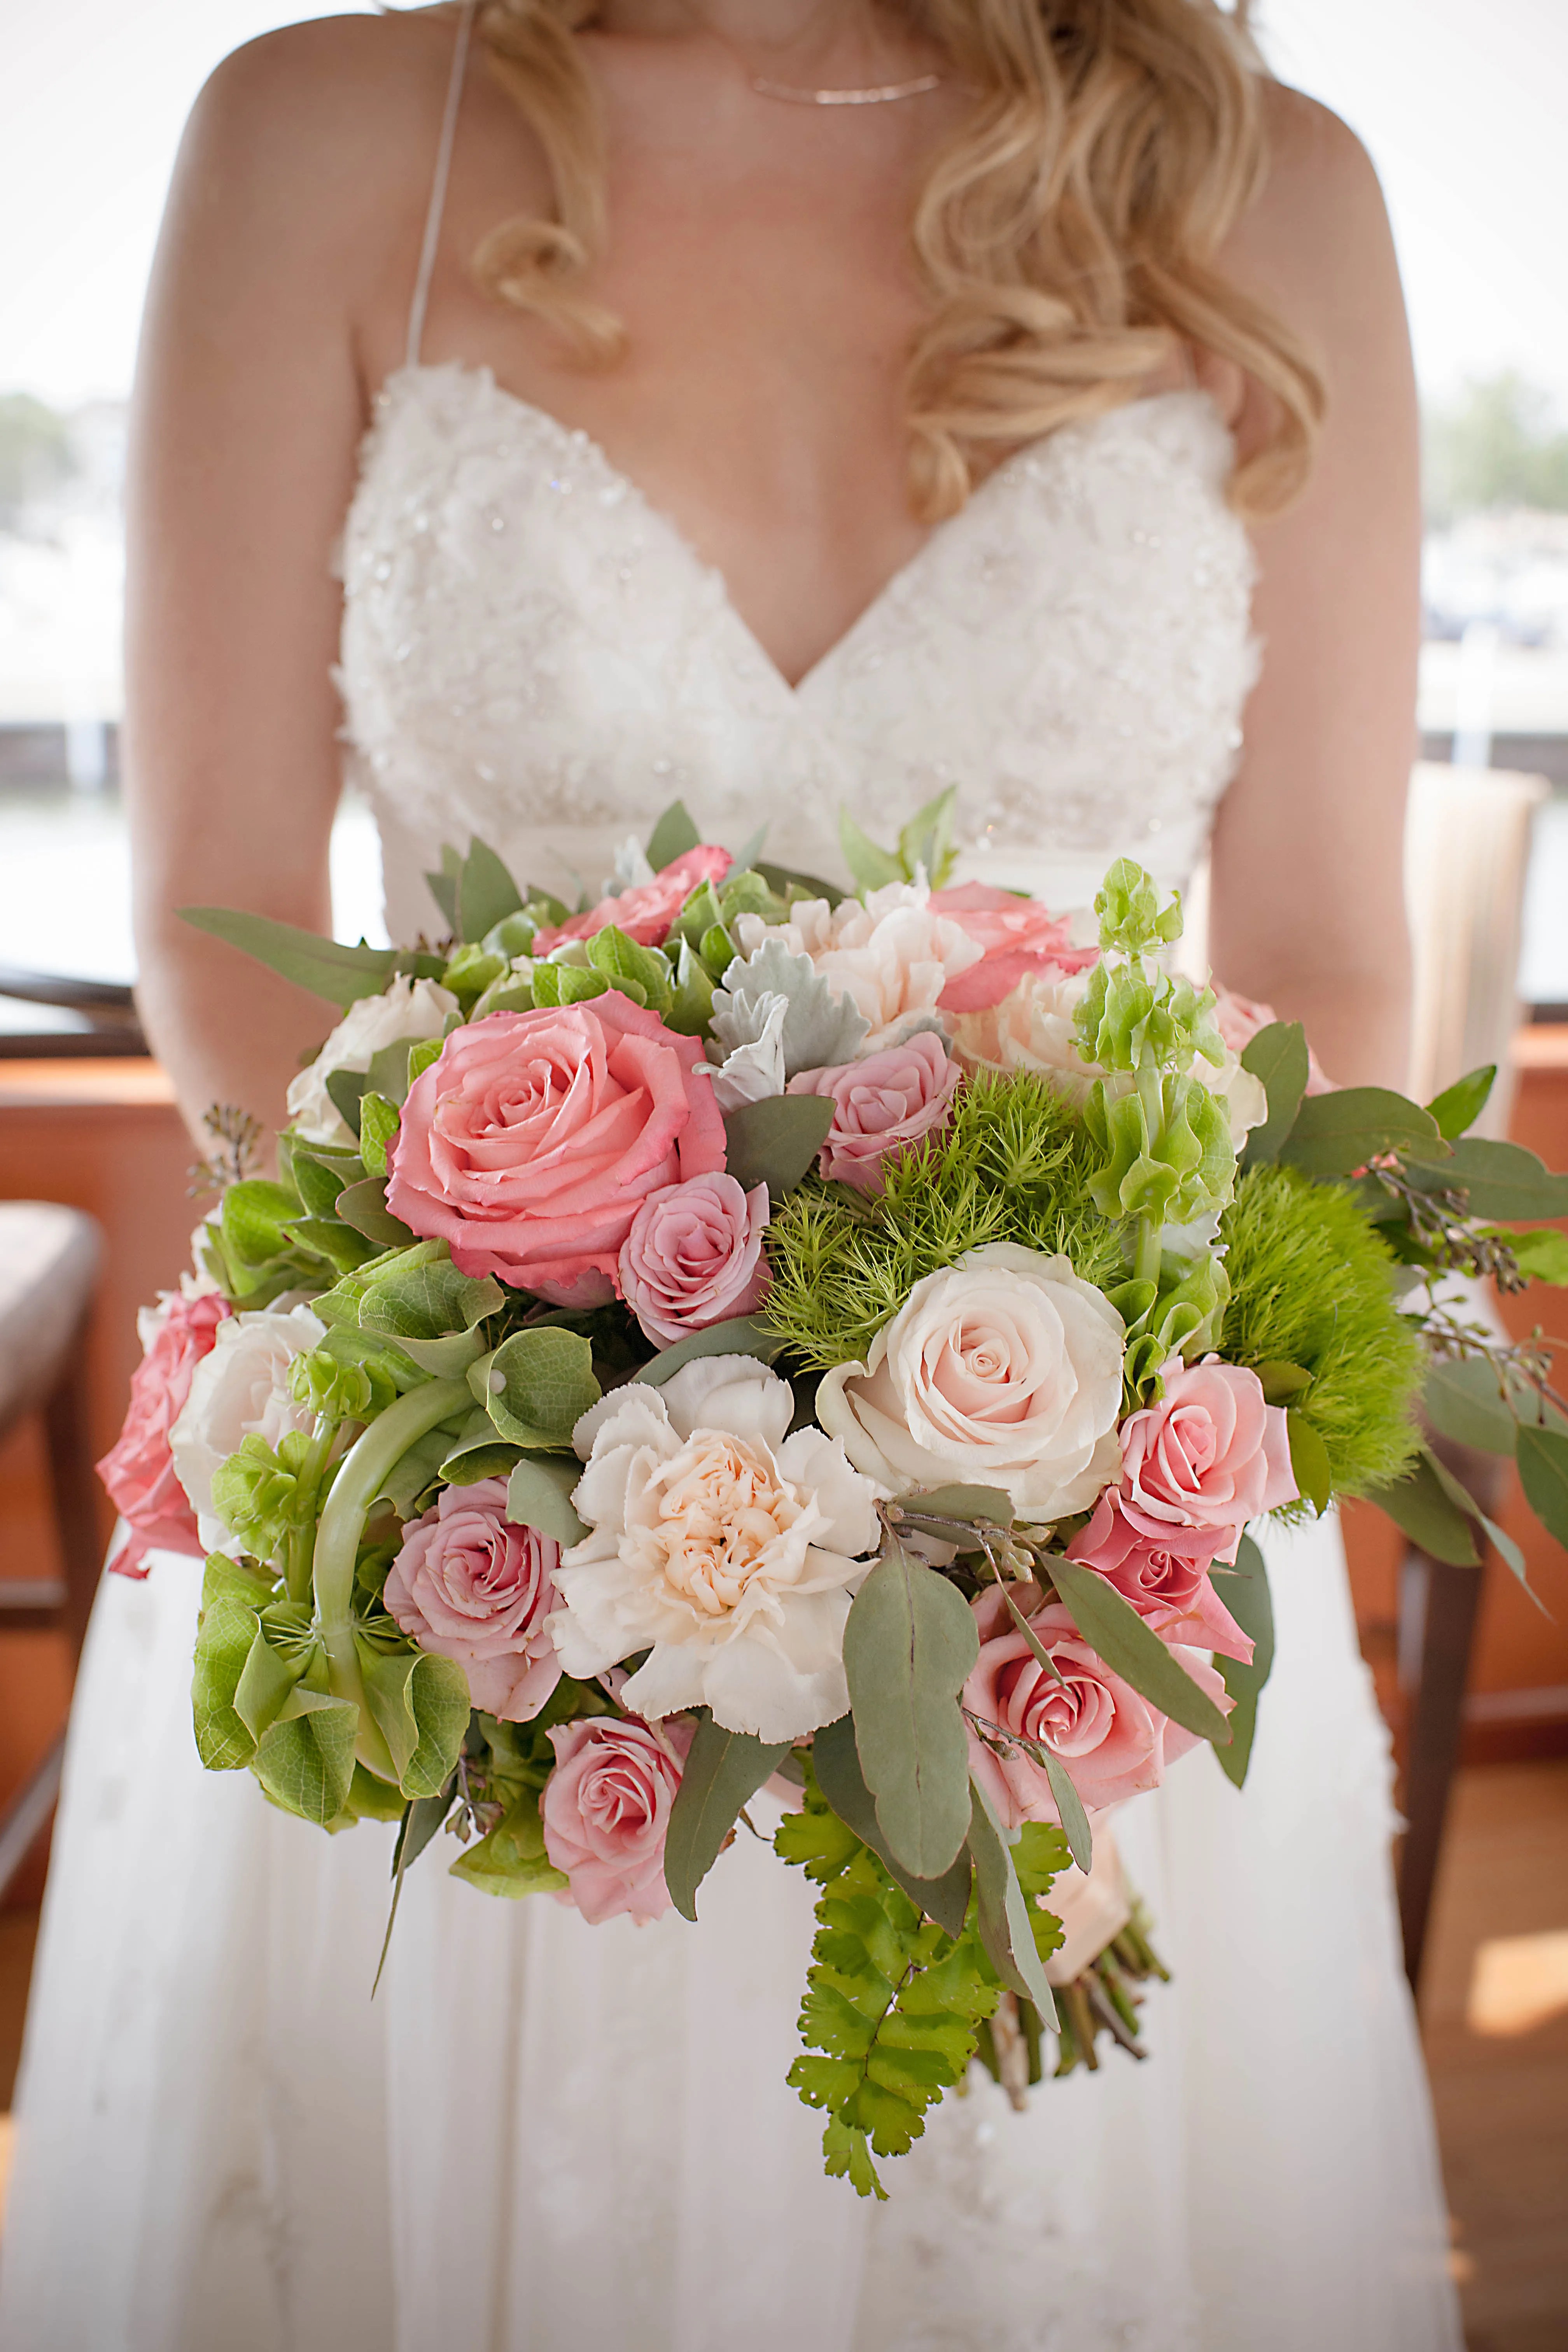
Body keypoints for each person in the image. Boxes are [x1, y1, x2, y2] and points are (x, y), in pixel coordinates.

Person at [0, 4, 1462, 2347]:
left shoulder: (1269, 187)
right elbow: (216, 911)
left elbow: (1317, 962)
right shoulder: (327, 133)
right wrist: (538, 1407)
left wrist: (1039, 1469)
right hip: (468, 1553)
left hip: (1059, 1561)